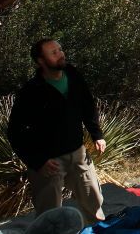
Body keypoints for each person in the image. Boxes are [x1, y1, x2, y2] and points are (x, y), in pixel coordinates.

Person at [7, 38, 106, 225]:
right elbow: (15, 131)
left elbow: (87, 105)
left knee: (93, 201)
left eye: (60, 49)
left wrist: (97, 135)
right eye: (53, 52)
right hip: (49, 162)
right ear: (41, 61)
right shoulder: (32, 91)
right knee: (50, 214)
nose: (61, 54)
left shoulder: (73, 75)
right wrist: (38, 161)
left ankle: (98, 230)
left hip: (78, 154)